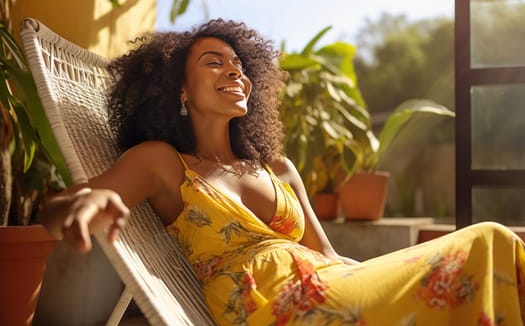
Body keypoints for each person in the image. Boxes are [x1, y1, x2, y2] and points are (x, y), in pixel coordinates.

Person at [41, 18, 525, 326]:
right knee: (491, 241)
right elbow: (56, 207)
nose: (236, 73)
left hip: (334, 289)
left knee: (506, 254)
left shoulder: (279, 168)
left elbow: (331, 256)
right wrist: (84, 201)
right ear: (179, 91)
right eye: (215, 63)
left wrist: (403, 267)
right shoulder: (162, 161)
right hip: (269, 309)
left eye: (240, 65)